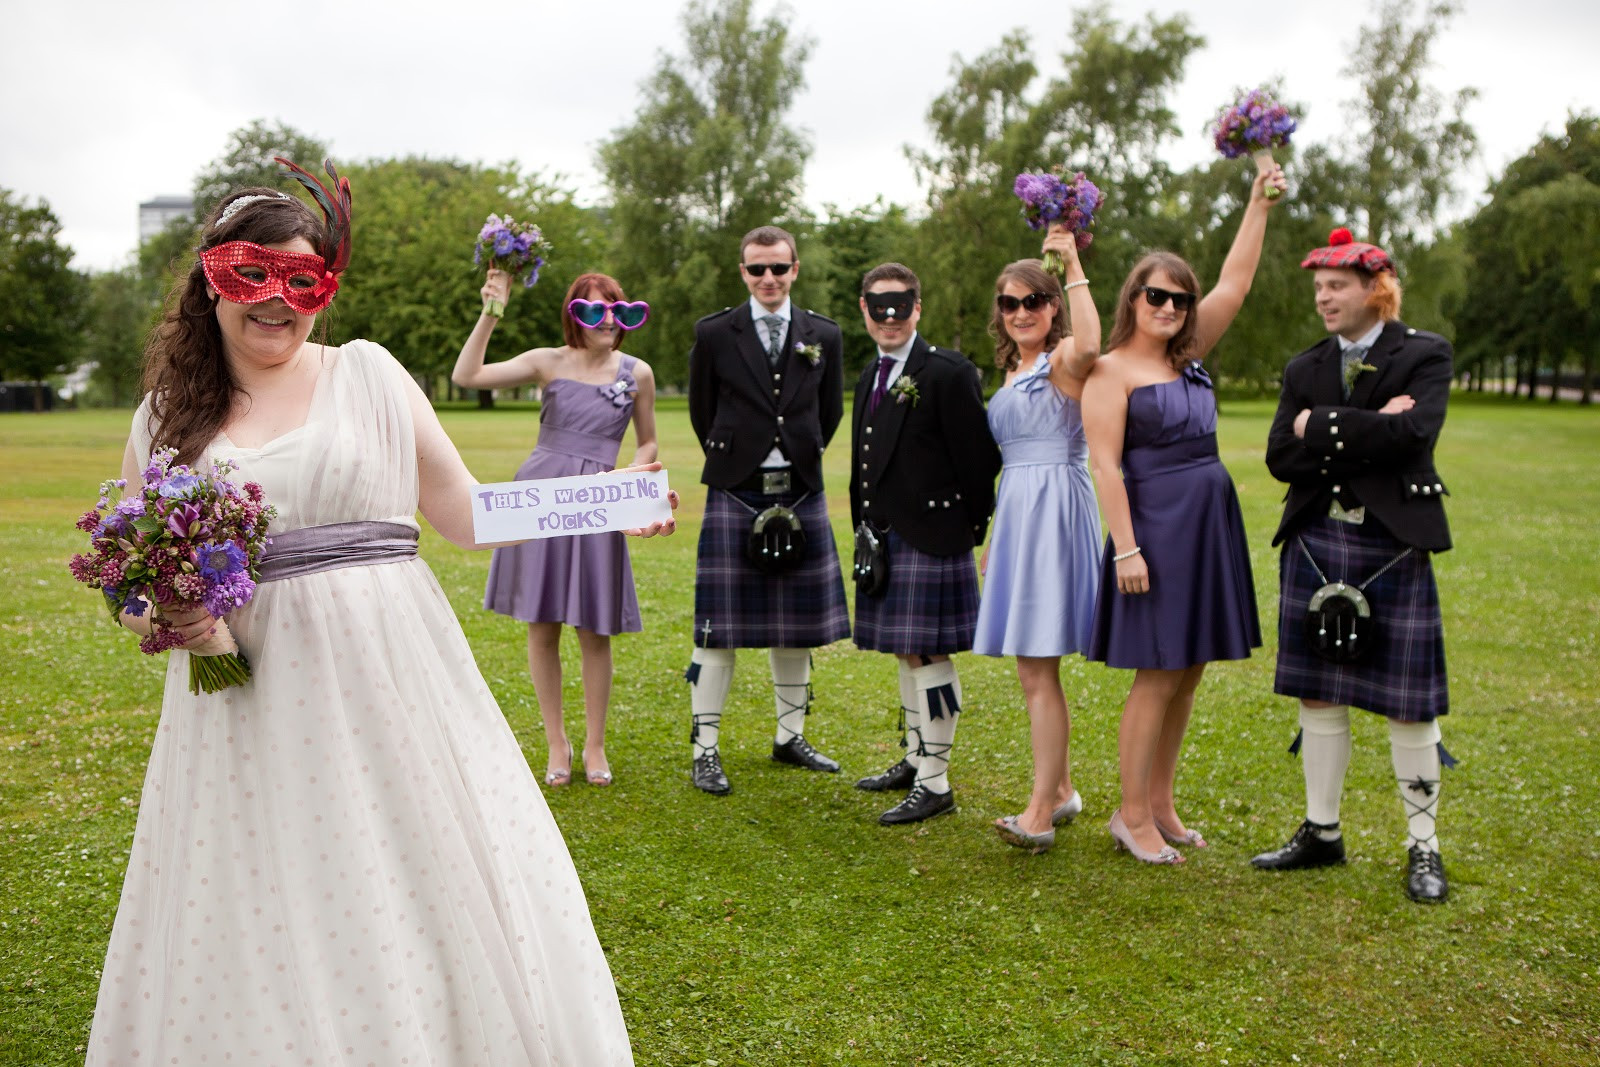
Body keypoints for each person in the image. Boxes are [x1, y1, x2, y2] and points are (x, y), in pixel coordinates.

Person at [86, 160, 671, 1064]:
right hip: (244, 706)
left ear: (327, 285)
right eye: (253, 274)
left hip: (392, 685)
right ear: (212, 280)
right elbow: (130, 576)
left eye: (303, 279)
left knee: (405, 882)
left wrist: (615, 502)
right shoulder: (165, 419)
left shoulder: (370, 375)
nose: (277, 299)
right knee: (263, 892)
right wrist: (173, 615)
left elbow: (469, 515)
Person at [1081, 165, 1286, 864]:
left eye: (1179, 299)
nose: (1169, 307)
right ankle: (1129, 813)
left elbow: (1237, 282)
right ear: (1133, 300)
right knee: (1159, 670)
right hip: (1155, 532)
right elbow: (1104, 464)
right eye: (1156, 296)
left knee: (1191, 667)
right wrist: (1126, 549)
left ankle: (1161, 802)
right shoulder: (1110, 371)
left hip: (1207, 525)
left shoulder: (1190, 355)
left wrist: (1256, 203)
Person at [1251, 228, 1456, 903]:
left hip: (1391, 543)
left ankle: (1423, 846)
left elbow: (1414, 434)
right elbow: (1281, 455)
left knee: (1409, 705)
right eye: (1318, 287)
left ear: (1376, 287)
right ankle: (1322, 830)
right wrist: (1363, 427)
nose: (1323, 298)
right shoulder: (1303, 366)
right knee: (1319, 692)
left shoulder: (1424, 354)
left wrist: (1322, 425)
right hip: (1316, 540)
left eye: (1336, 285)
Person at [453, 270, 659, 787]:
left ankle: (594, 744)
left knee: (594, 628)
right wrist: (491, 311)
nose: (607, 320)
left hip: (600, 503)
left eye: (617, 309)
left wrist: (634, 473)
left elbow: (648, 442)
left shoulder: (639, 373)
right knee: (541, 623)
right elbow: (467, 376)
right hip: (540, 500)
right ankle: (556, 742)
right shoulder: (548, 361)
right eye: (594, 311)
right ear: (575, 316)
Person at [684, 224, 849, 795]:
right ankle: (705, 748)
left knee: (796, 627)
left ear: (794, 269)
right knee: (716, 629)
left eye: (778, 267)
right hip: (735, 487)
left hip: (801, 487)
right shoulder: (714, 334)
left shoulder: (823, 334)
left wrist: (795, 452)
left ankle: (789, 737)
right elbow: (703, 412)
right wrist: (742, 456)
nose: (769, 278)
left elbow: (829, 415)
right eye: (757, 269)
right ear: (743, 273)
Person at [849, 262, 1002, 825]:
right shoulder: (873, 372)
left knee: (928, 653)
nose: (891, 318)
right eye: (879, 306)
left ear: (919, 308)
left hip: (933, 534)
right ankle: (917, 759)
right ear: (864, 310)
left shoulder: (947, 371)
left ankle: (936, 781)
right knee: (906, 651)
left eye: (902, 306)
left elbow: (979, 459)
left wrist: (971, 527)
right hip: (886, 537)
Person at [971, 231, 1102, 853]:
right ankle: (1064, 789)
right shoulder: (1012, 366)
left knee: (1036, 667)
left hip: (1055, 509)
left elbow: (1097, 341)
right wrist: (997, 534)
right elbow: (1008, 463)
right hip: (1020, 511)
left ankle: (1039, 813)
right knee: (1034, 667)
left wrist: (1073, 263)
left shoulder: (1065, 358)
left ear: (1052, 306)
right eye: (1008, 303)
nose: (1020, 312)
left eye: (1033, 301)